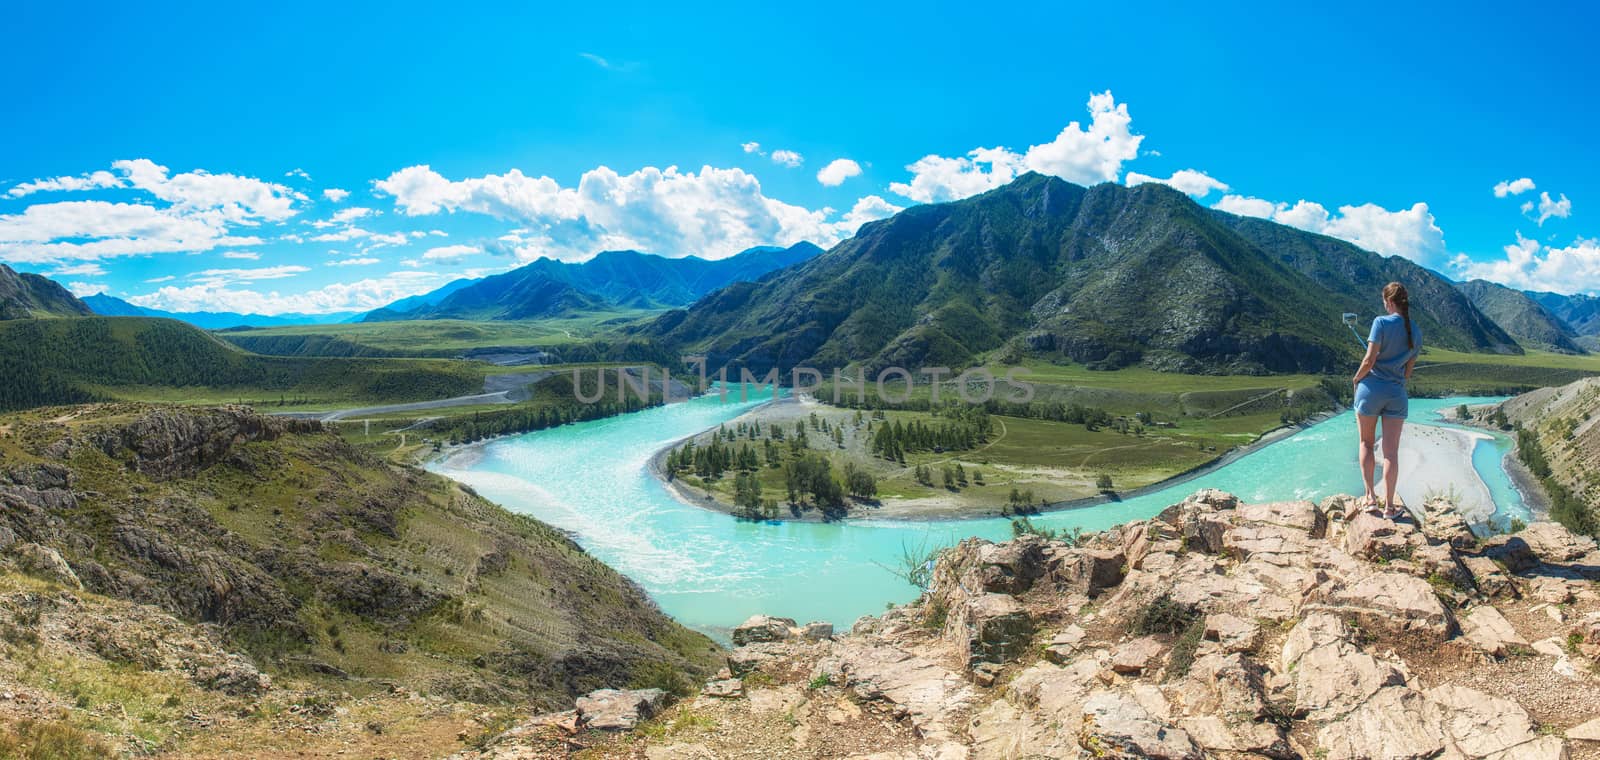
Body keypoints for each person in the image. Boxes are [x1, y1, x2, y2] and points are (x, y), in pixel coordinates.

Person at [1352, 282, 1421, 519]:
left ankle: (1370, 498)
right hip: (1396, 394)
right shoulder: (1416, 330)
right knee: (1391, 453)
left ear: (1388, 301)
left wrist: (1356, 379)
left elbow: (1369, 360)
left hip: (1370, 390)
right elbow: (1408, 373)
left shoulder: (1380, 322)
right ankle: (1390, 506)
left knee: (1366, 444)